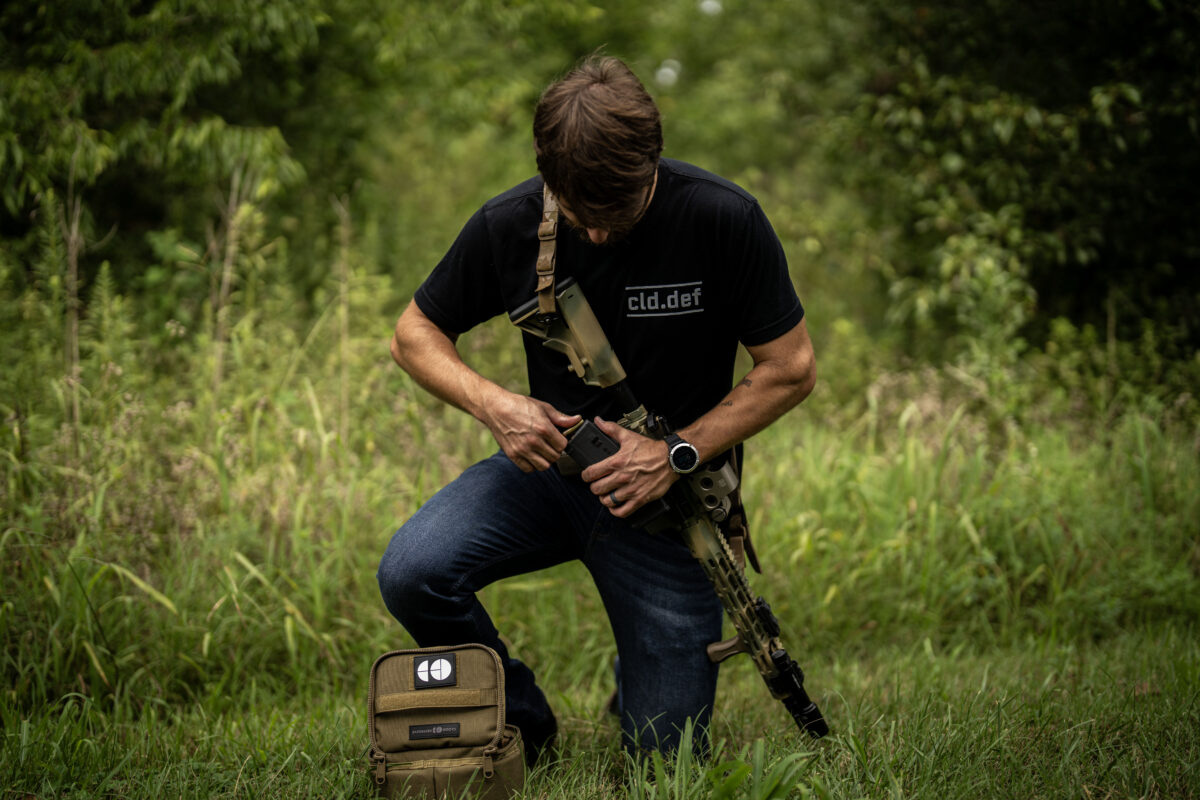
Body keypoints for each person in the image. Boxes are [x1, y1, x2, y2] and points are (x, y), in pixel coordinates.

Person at [377, 55, 816, 761]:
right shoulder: (510, 223)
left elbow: (790, 369)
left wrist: (674, 453)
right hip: (546, 477)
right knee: (413, 570)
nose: (603, 237)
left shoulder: (723, 218)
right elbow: (413, 336)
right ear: (550, 180)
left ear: (654, 165)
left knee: (665, 762)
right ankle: (521, 722)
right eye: (585, 220)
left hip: (666, 503)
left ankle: (642, 677)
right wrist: (497, 406)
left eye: (621, 215)